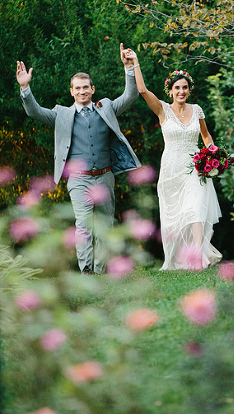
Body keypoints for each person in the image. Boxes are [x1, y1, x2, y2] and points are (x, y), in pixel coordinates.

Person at [16, 45, 142, 274]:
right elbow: (34, 112)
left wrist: (129, 68)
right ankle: (86, 270)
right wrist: (25, 88)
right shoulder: (61, 114)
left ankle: (101, 272)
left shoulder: (107, 108)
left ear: (92, 89)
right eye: (78, 88)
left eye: (86, 87)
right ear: (71, 91)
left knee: (105, 227)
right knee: (83, 227)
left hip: (104, 177)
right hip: (79, 180)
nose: (82, 91)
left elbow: (131, 95)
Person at [125, 50, 222, 270]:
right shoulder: (162, 109)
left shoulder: (197, 110)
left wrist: (213, 154)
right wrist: (135, 62)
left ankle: (198, 257)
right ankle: (181, 258)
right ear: (170, 91)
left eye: (184, 87)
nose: (181, 91)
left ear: (189, 90)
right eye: (177, 87)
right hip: (171, 169)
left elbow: (206, 136)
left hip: (196, 167)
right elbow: (141, 90)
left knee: (196, 208)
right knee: (177, 216)